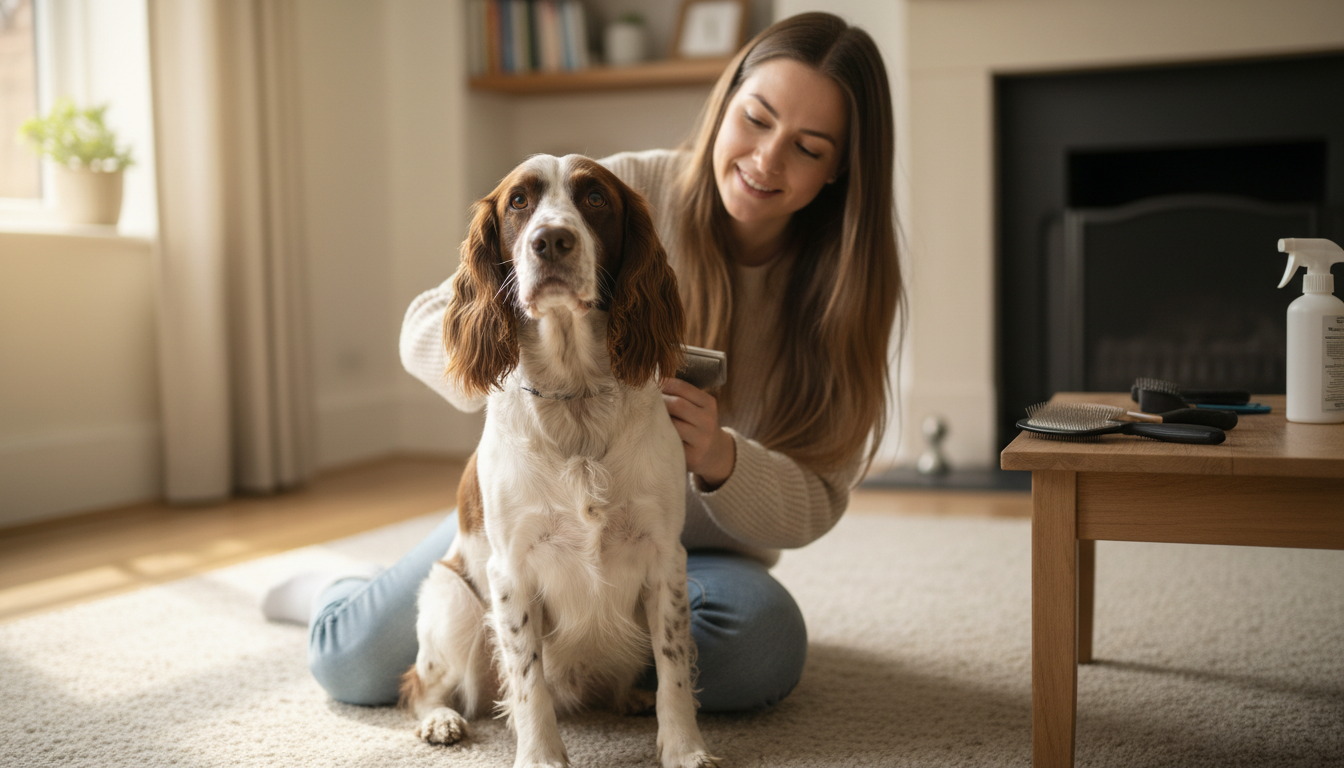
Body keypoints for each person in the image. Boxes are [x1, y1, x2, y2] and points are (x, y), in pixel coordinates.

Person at [263, 11, 903, 714]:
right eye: (756, 118)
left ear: (840, 168)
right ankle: (339, 588)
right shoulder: (609, 196)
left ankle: (595, 664)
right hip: (540, 516)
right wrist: (518, 369)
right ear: (724, 103)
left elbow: (818, 499)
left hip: (692, 553)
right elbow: (429, 321)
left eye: (808, 147)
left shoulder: (848, 293)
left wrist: (722, 458)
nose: (766, 159)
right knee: (354, 666)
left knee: (761, 647)